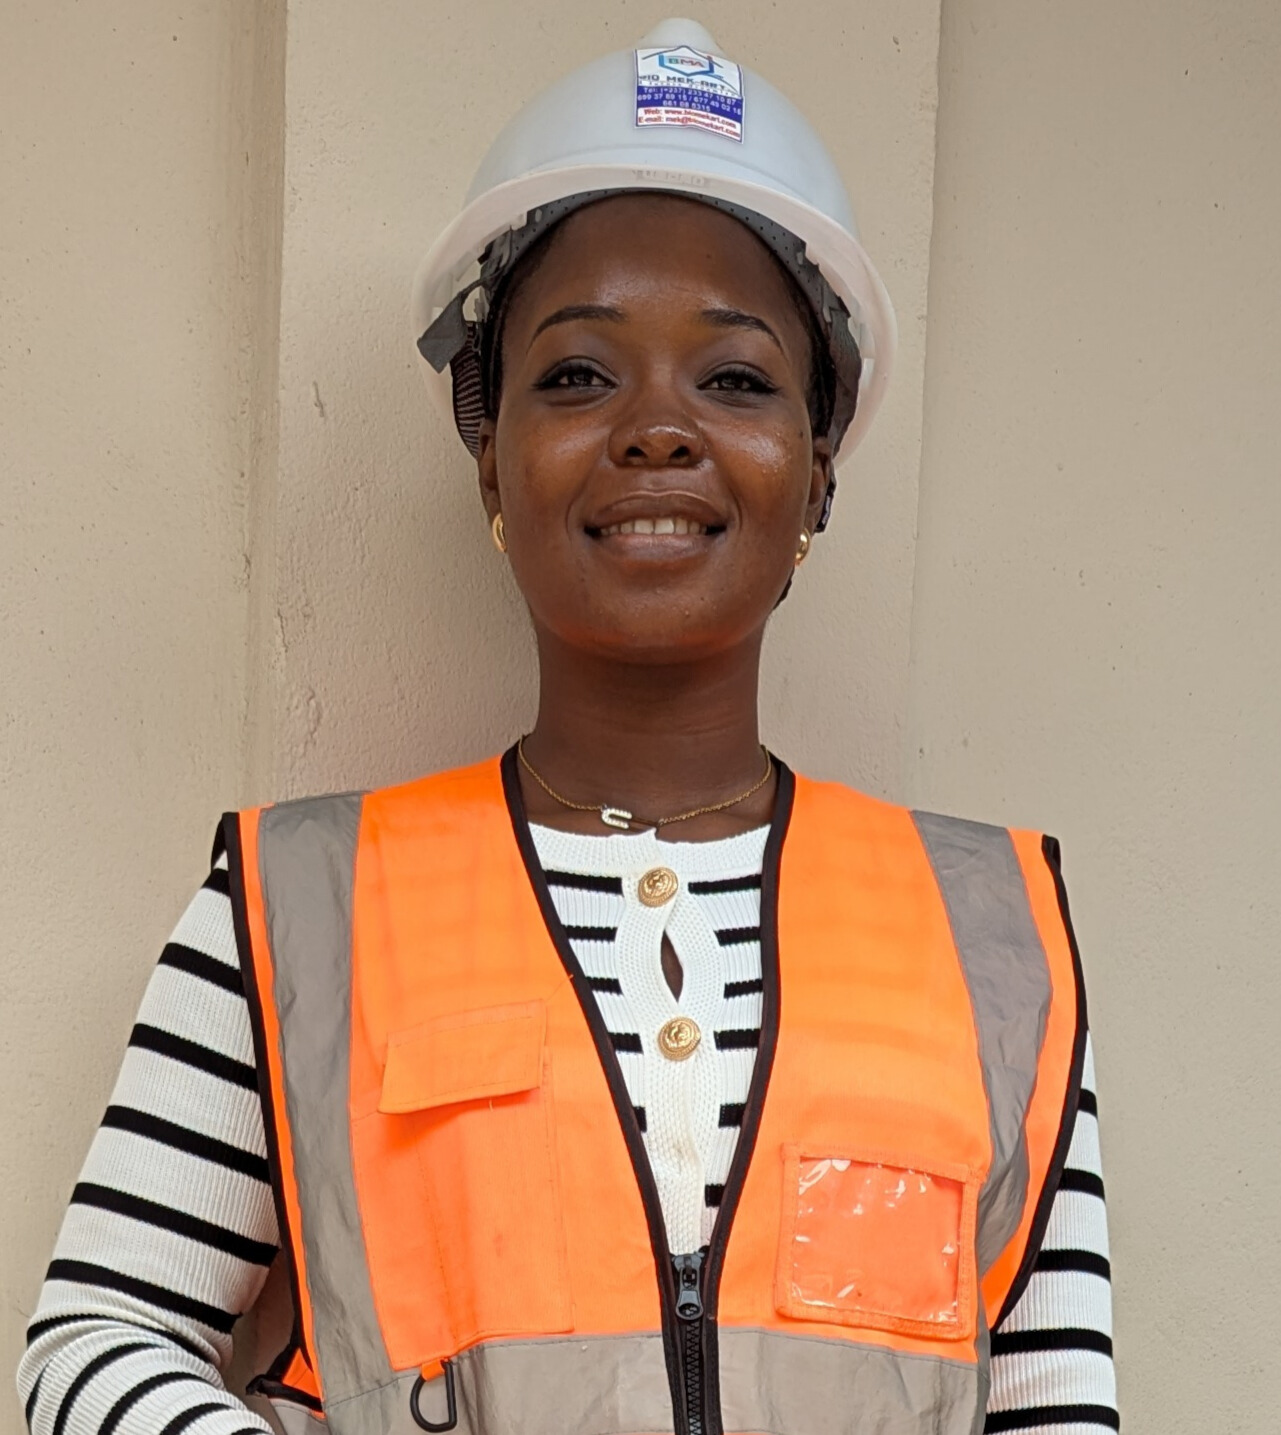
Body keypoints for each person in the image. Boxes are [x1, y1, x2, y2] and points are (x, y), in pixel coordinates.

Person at [18, 19, 1118, 1435]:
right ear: (492, 464)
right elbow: (95, 1343)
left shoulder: (991, 938)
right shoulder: (298, 909)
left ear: (816, 473)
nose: (657, 427)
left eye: (735, 379)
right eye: (578, 375)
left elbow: (1052, 1401)